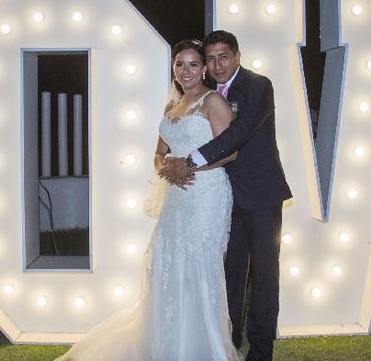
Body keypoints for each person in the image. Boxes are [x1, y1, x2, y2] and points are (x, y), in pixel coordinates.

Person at [57, 39, 240, 361]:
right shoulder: (172, 107)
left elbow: (232, 151)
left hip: (206, 193)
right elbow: (158, 154)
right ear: (173, 68)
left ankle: (203, 346)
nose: (186, 71)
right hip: (177, 196)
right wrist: (166, 169)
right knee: (167, 264)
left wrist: (188, 166)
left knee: (200, 267)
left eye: (194, 64)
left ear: (204, 69)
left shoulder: (213, 102)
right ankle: (166, 340)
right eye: (180, 64)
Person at [160, 30, 291, 361]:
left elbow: (239, 133)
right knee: (227, 275)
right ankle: (226, 342)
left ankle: (260, 352)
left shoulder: (257, 85)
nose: (218, 65)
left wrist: (188, 163)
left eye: (224, 57)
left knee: (263, 276)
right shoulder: (195, 95)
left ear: (237, 57)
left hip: (261, 196)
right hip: (219, 198)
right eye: (212, 58)